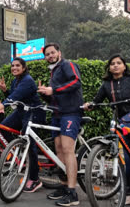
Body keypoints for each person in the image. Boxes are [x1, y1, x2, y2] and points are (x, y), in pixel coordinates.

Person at [83, 54, 130, 205]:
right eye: (112, 63)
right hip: (123, 123)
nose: (115, 65)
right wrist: (90, 105)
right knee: (128, 159)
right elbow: (97, 101)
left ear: (124, 66)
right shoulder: (106, 84)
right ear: (109, 67)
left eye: (119, 63)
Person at [0, 57, 46, 192]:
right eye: (12, 65)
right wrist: (5, 91)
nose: (14, 68)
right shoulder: (15, 81)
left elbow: (14, 97)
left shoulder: (28, 81)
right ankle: (18, 149)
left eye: (17, 65)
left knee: (29, 144)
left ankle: (35, 179)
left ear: (24, 68)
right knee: (2, 129)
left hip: (33, 112)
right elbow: (14, 97)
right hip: (21, 112)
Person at [38, 43, 83, 206]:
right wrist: (45, 94)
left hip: (71, 112)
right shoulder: (53, 71)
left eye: (52, 53)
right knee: (58, 150)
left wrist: (53, 89)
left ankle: (73, 193)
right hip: (57, 113)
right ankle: (64, 187)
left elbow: (76, 82)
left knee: (67, 149)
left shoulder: (67, 64)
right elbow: (55, 95)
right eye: (47, 54)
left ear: (59, 53)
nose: (50, 56)